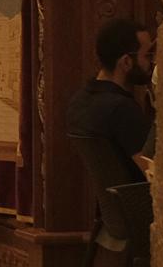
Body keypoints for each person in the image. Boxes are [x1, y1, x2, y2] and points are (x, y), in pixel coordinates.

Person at [67, 17, 157, 184]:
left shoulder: (79, 101)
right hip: (140, 206)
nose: (152, 63)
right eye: (147, 56)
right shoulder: (122, 109)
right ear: (126, 62)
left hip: (112, 209)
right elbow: (155, 175)